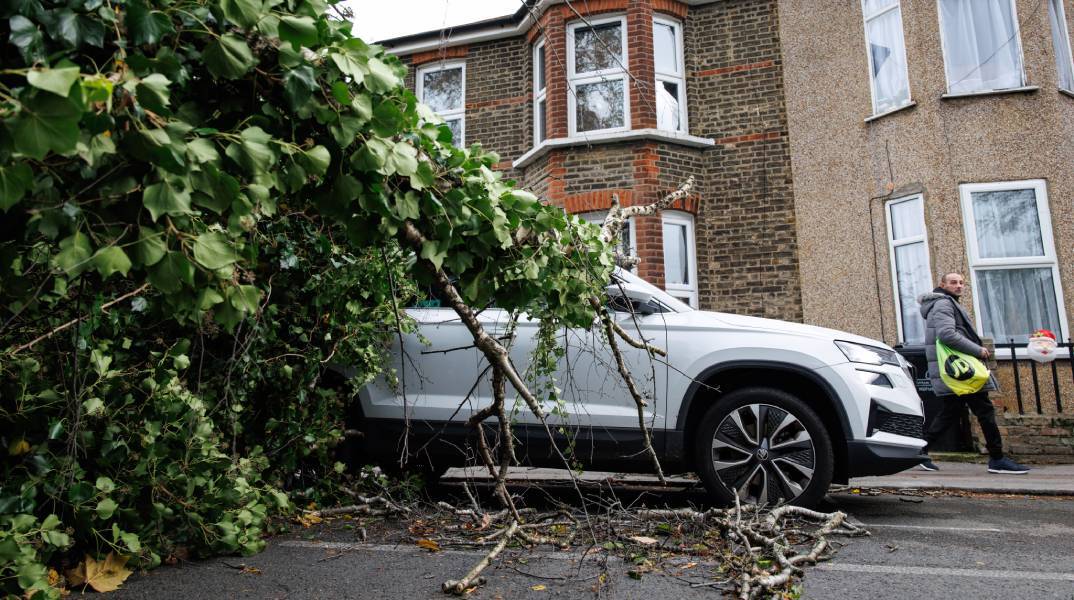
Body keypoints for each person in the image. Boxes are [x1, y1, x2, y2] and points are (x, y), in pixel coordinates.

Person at [917, 272, 1030, 474]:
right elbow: (947, 334)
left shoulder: (947, 303)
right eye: (953, 282)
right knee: (985, 411)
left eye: (961, 282)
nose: (959, 286)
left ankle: (919, 452)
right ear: (942, 284)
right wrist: (978, 350)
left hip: (956, 371)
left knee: (950, 411)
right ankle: (997, 459)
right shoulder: (944, 304)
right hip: (962, 371)